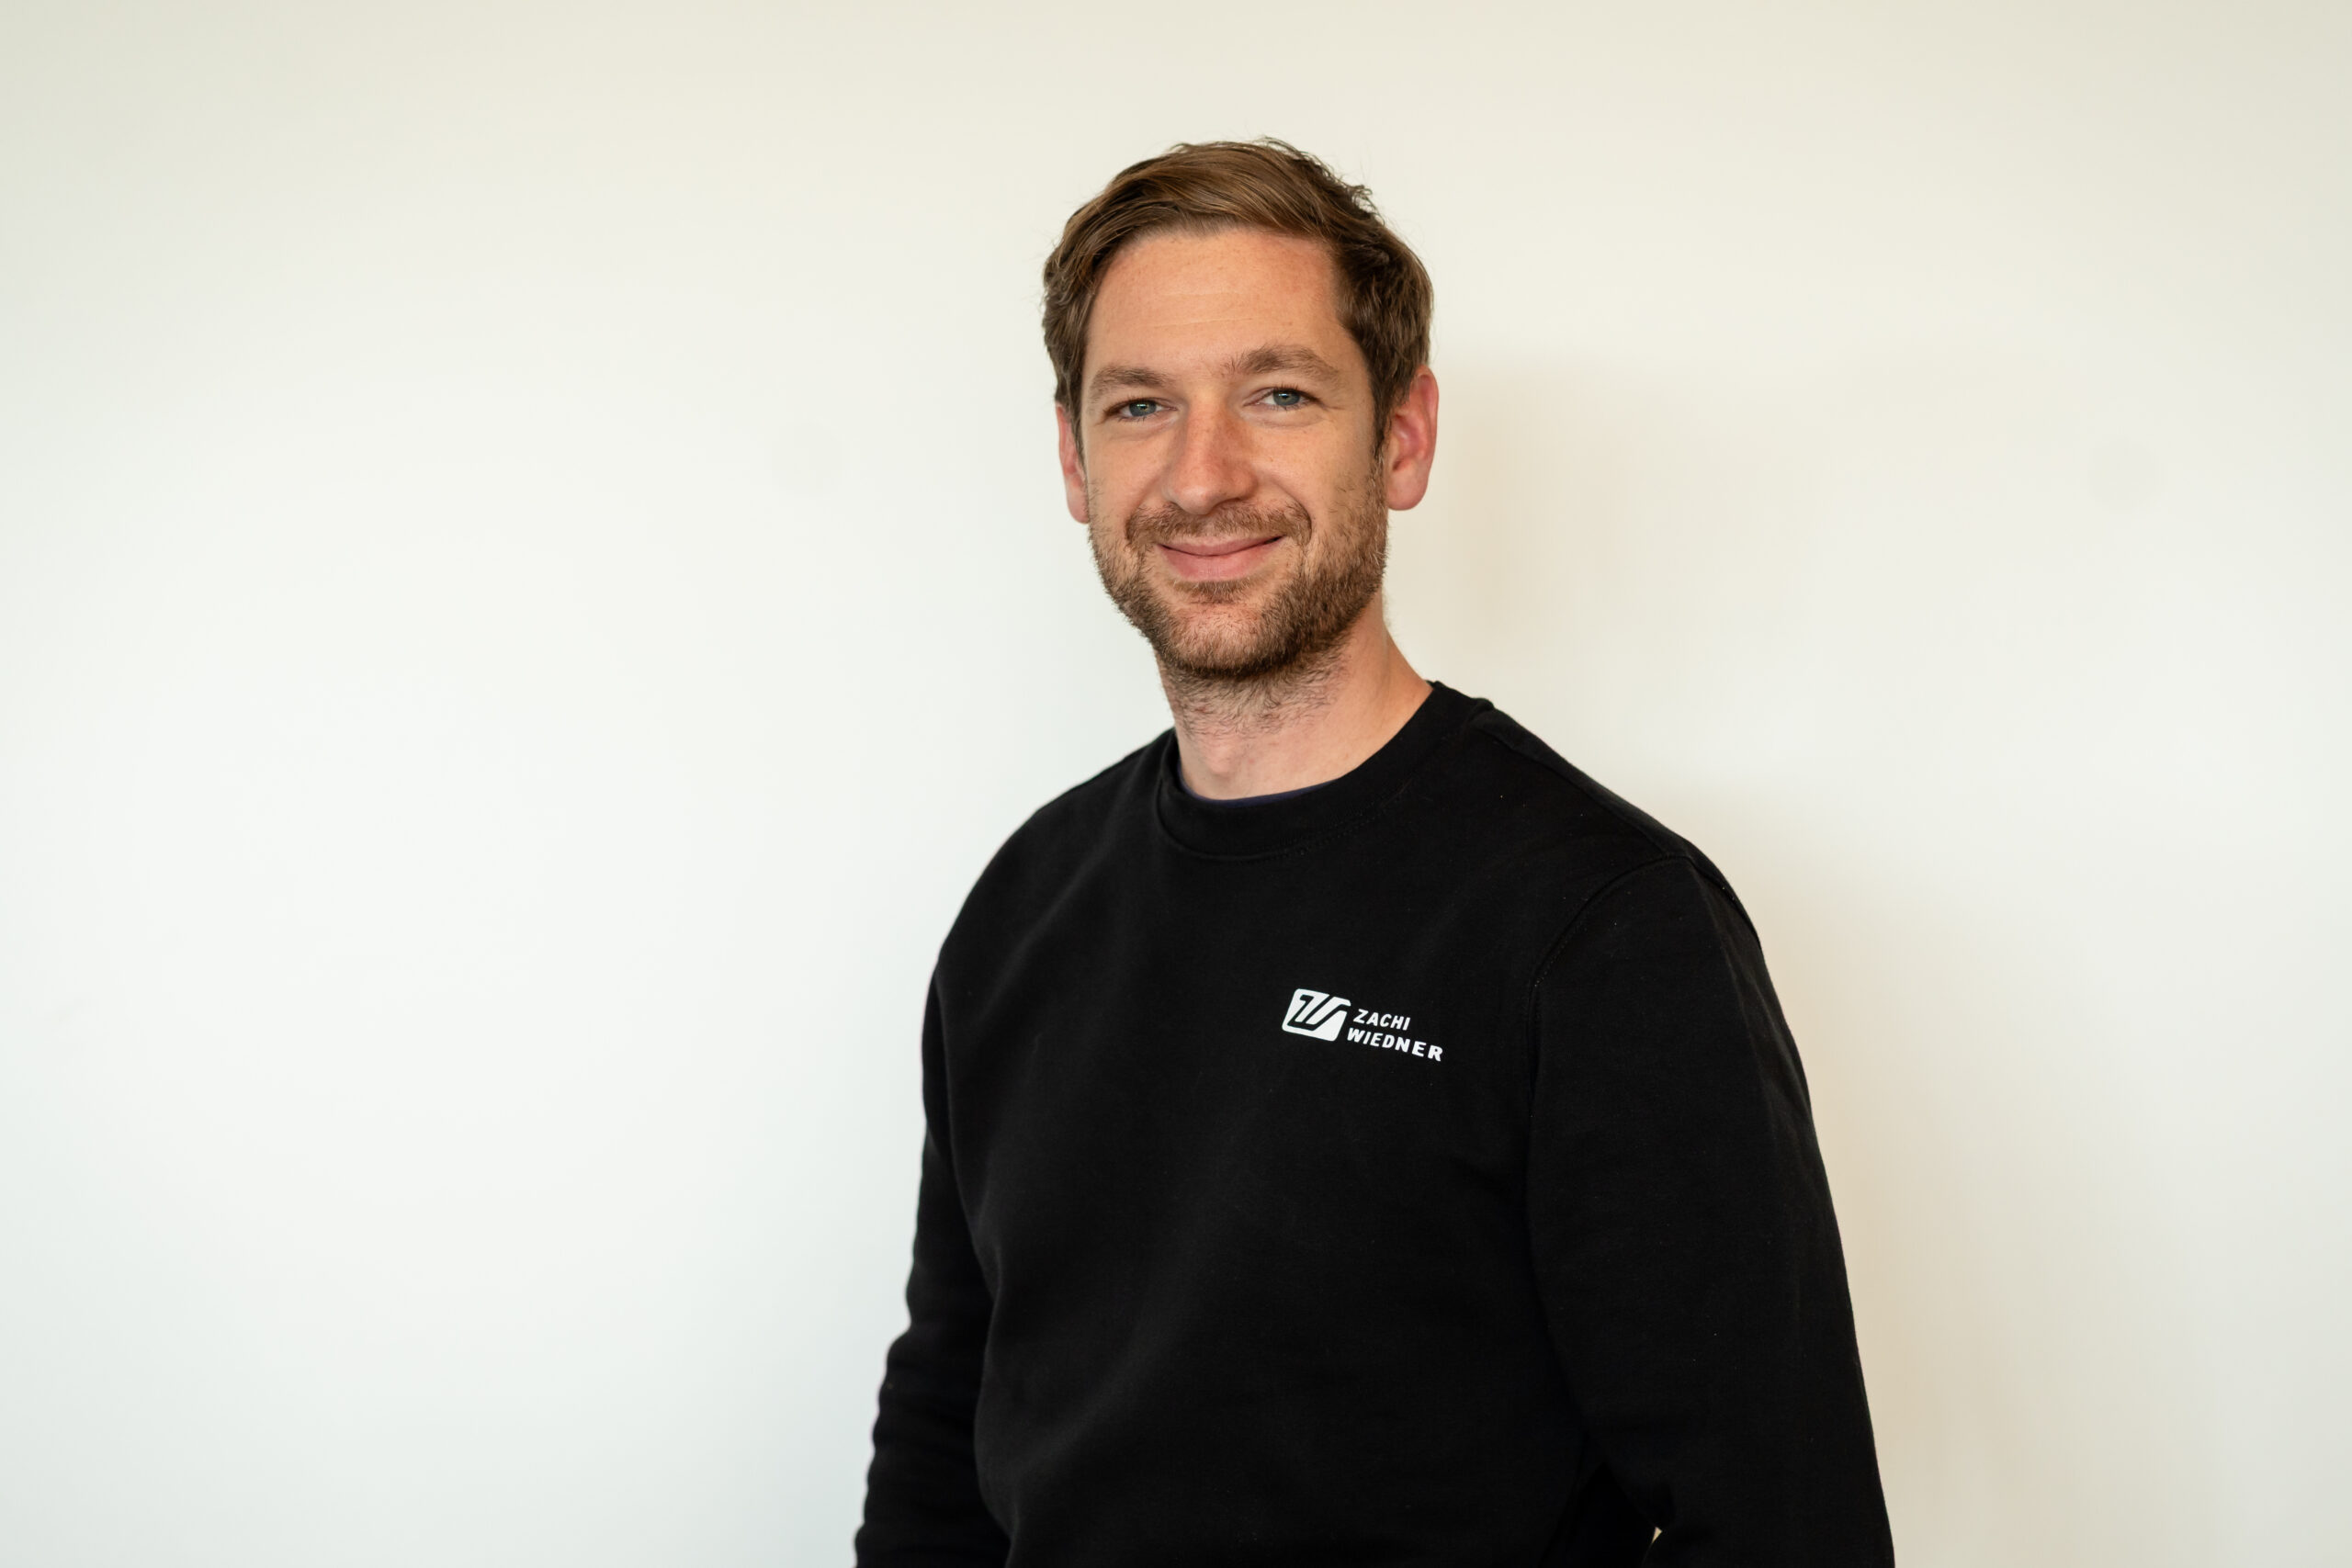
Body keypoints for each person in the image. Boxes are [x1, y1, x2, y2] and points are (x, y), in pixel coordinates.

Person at [855, 139, 1894, 1566]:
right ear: (1075, 461)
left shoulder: (1599, 926)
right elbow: (945, 1431)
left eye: (1278, 394)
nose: (1203, 476)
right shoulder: (1024, 907)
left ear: (1401, 440)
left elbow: (1782, 1524)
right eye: (1142, 404)